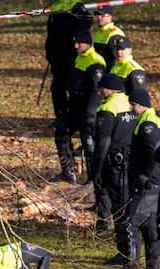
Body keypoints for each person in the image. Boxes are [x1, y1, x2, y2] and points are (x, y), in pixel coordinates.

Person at [119, 89, 160, 269]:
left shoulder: (146, 124)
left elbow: (153, 150)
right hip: (158, 182)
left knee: (132, 225)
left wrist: (145, 174)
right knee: (151, 228)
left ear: (140, 104)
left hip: (147, 184)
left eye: (133, 104)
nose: (131, 107)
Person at [91, 73, 137, 260]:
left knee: (119, 208)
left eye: (101, 88)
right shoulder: (130, 104)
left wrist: (97, 168)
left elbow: (103, 142)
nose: (99, 91)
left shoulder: (108, 108)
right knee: (129, 206)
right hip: (132, 162)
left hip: (115, 164)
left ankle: (125, 251)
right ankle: (130, 249)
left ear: (110, 89)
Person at [55, 29, 106, 184]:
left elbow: (96, 92)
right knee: (61, 133)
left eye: (79, 43)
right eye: (75, 42)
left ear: (88, 43)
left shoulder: (95, 61)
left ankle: (93, 178)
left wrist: (90, 116)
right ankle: (69, 171)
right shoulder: (78, 57)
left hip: (88, 110)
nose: (76, 45)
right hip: (75, 108)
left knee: (89, 143)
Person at [46, 0, 92, 152]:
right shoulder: (54, 6)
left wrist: (74, 39)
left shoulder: (75, 4)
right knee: (56, 89)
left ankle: (77, 119)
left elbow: (87, 21)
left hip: (71, 57)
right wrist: (49, 52)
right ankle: (61, 117)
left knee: (74, 89)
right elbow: (50, 33)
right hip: (57, 58)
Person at [92, 6, 125, 70]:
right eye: (98, 15)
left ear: (110, 18)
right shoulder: (98, 32)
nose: (99, 17)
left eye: (102, 15)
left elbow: (118, 58)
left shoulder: (115, 33)